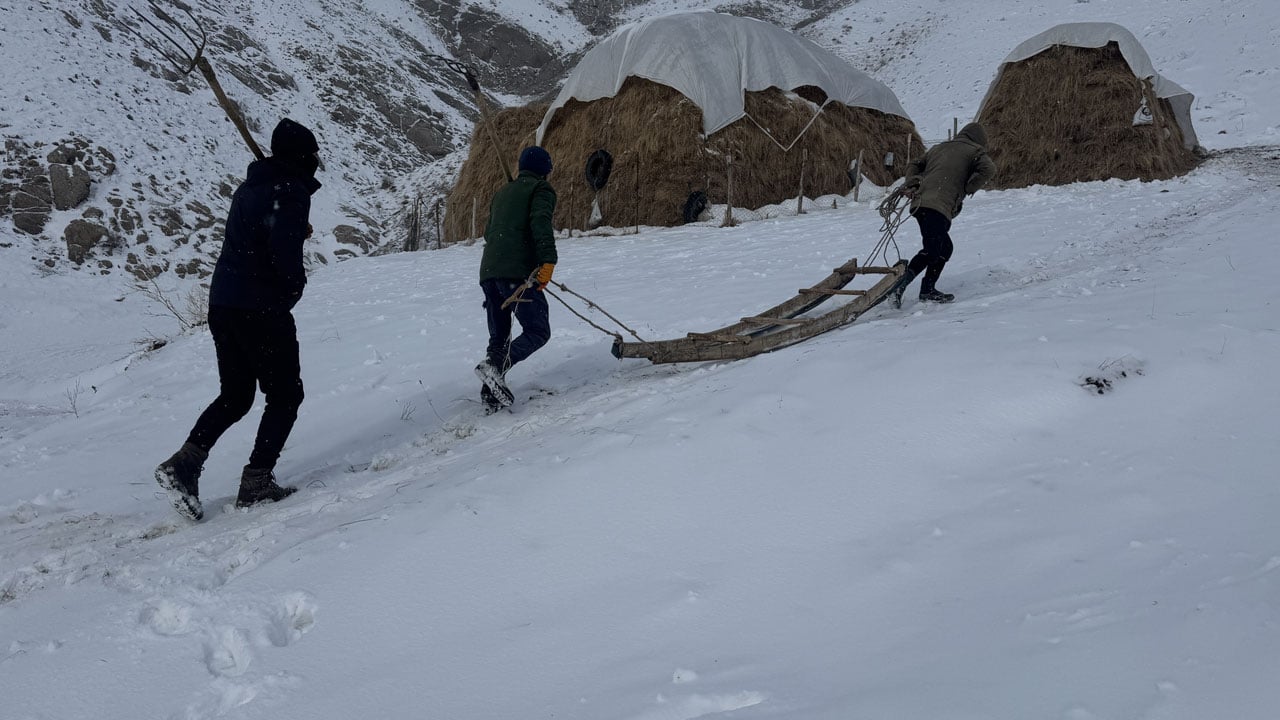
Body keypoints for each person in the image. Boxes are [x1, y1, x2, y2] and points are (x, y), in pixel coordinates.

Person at [154, 118, 322, 520]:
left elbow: (263, 233)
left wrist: (294, 226)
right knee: (285, 395)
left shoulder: (250, 188)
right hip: (259, 306)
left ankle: (185, 463)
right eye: (313, 155)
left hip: (224, 303)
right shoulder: (289, 191)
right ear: (303, 157)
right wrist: (291, 291)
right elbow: (282, 253)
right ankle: (257, 481)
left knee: (236, 395)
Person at [474, 146, 558, 412]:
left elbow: (489, 233)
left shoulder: (502, 192)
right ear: (545, 171)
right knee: (538, 330)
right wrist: (547, 261)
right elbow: (540, 223)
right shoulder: (541, 190)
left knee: (499, 338)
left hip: (489, 272)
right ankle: (496, 367)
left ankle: (491, 395)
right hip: (516, 273)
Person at [889, 122, 996, 308]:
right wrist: (968, 187)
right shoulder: (975, 151)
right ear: (979, 139)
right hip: (938, 206)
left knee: (943, 247)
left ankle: (925, 288)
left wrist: (912, 182)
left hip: (921, 204)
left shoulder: (939, 148)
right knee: (933, 249)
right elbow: (989, 169)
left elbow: (915, 163)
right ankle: (901, 287)